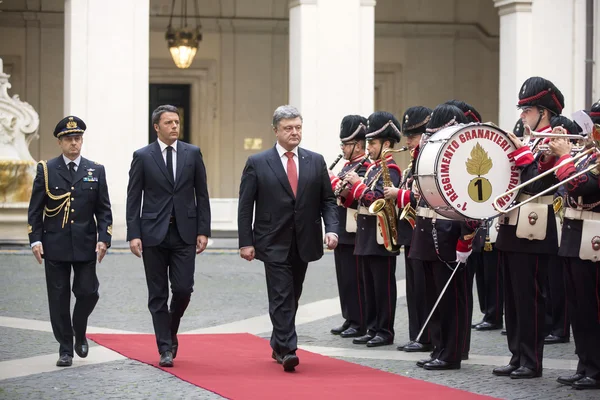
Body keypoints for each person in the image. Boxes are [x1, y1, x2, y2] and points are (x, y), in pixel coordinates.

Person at [237, 105, 339, 372]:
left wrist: (331, 228)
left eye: (298, 127)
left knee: (293, 294)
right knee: (281, 294)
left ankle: (277, 342)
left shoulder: (315, 161)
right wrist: (245, 241)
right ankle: (289, 350)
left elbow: (327, 200)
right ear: (275, 130)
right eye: (288, 128)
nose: (294, 133)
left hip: (305, 240)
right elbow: (246, 206)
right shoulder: (258, 162)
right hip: (271, 240)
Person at [126, 104, 211, 368]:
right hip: (153, 234)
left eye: (177, 121)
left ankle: (170, 329)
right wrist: (133, 234)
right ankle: (165, 347)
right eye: (169, 122)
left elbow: (202, 194)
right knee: (157, 294)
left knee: (184, 289)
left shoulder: (193, 153)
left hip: (184, 233)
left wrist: (203, 230)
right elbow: (133, 197)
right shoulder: (143, 156)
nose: (174, 126)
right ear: (156, 127)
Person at [27, 116, 113, 367]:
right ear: (60, 142)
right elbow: (35, 209)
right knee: (59, 298)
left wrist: (104, 238)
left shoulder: (95, 169)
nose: (74, 143)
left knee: (89, 292)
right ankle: (66, 347)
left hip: (86, 244)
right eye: (68, 139)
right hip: (55, 244)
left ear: (82, 140)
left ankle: (80, 328)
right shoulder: (46, 169)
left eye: (77, 139)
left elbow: (104, 209)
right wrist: (35, 240)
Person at [493, 76, 564, 379]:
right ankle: (516, 354)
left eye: (527, 111)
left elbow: (547, 181)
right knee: (512, 295)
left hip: (535, 223)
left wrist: (524, 157)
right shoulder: (531, 140)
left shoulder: (556, 138)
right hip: (512, 221)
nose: (521, 116)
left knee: (530, 296)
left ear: (543, 112)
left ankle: (531, 359)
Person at [404, 104, 477, 370]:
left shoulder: (463, 155)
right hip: (427, 230)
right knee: (433, 296)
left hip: (449, 233)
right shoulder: (430, 152)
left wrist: (466, 238)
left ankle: (452, 353)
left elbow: (472, 201)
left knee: (451, 300)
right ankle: (439, 347)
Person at [342, 111, 402, 348]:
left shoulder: (392, 169)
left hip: (381, 234)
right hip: (366, 233)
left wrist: (356, 187)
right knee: (368, 286)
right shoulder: (373, 168)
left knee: (382, 287)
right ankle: (373, 326)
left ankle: (385, 330)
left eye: (373, 143)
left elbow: (377, 198)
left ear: (386, 144)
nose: (368, 148)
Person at [549, 121, 600, 390]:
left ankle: (596, 368)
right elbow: (563, 188)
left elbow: (578, 184)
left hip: (593, 239)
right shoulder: (588, 156)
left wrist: (565, 155)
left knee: (592, 309)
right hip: (573, 235)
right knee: (578, 309)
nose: (591, 134)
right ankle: (584, 364)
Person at [383, 106, 433, 353]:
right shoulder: (416, 159)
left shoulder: (428, 157)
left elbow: (422, 195)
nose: (408, 141)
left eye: (413, 136)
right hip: (411, 232)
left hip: (422, 230)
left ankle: (424, 336)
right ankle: (418, 335)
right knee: (414, 290)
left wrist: (398, 194)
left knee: (422, 289)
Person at [329, 115, 370, 338]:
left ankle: (359, 320)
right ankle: (349, 317)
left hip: (354, 230)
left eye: (346, 144)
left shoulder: (364, 166)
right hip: (342, 229)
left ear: (357, 145)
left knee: (355, 279)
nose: (343, 148)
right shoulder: (348, 165)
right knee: (344, 279)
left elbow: (352, 197)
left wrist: (332, 180)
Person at [543, 115, 581, 345]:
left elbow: (575, 183)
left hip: (569, 222)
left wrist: (563, 155)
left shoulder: (575, 158)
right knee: (552, 279)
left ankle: (560, 327)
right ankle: (554, 324)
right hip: (557, 221)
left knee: (561, 282)